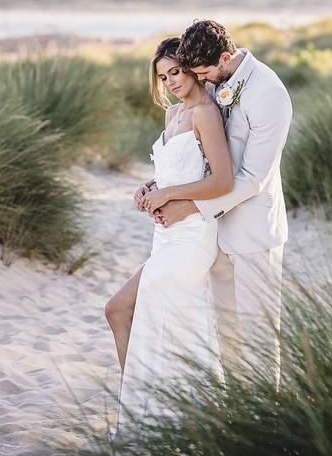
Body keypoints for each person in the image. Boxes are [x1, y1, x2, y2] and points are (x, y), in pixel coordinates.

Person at [152, 19, 293, 387]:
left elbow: (252, 178)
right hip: (214, 235)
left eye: (203, 74)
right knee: (227, 336)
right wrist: (160, 183)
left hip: (253, 234)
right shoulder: (215, 80)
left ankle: (267, 425)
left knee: (260, 340)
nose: (202, 82)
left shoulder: (269, 94)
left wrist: (186, 206)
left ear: (226, 57)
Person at [104, 36, 233, 435]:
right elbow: (177, 172)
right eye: (163, 76)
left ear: (191, 68)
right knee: (159, 324)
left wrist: (169, 193)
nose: (171, 81)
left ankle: (153, 421)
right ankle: (151, 417)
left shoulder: (205, 114)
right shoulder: (172, 115)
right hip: (165, 237)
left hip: (192, 235)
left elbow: (222, 181)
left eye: (175, 71)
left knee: (120, 309)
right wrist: (149, 187)